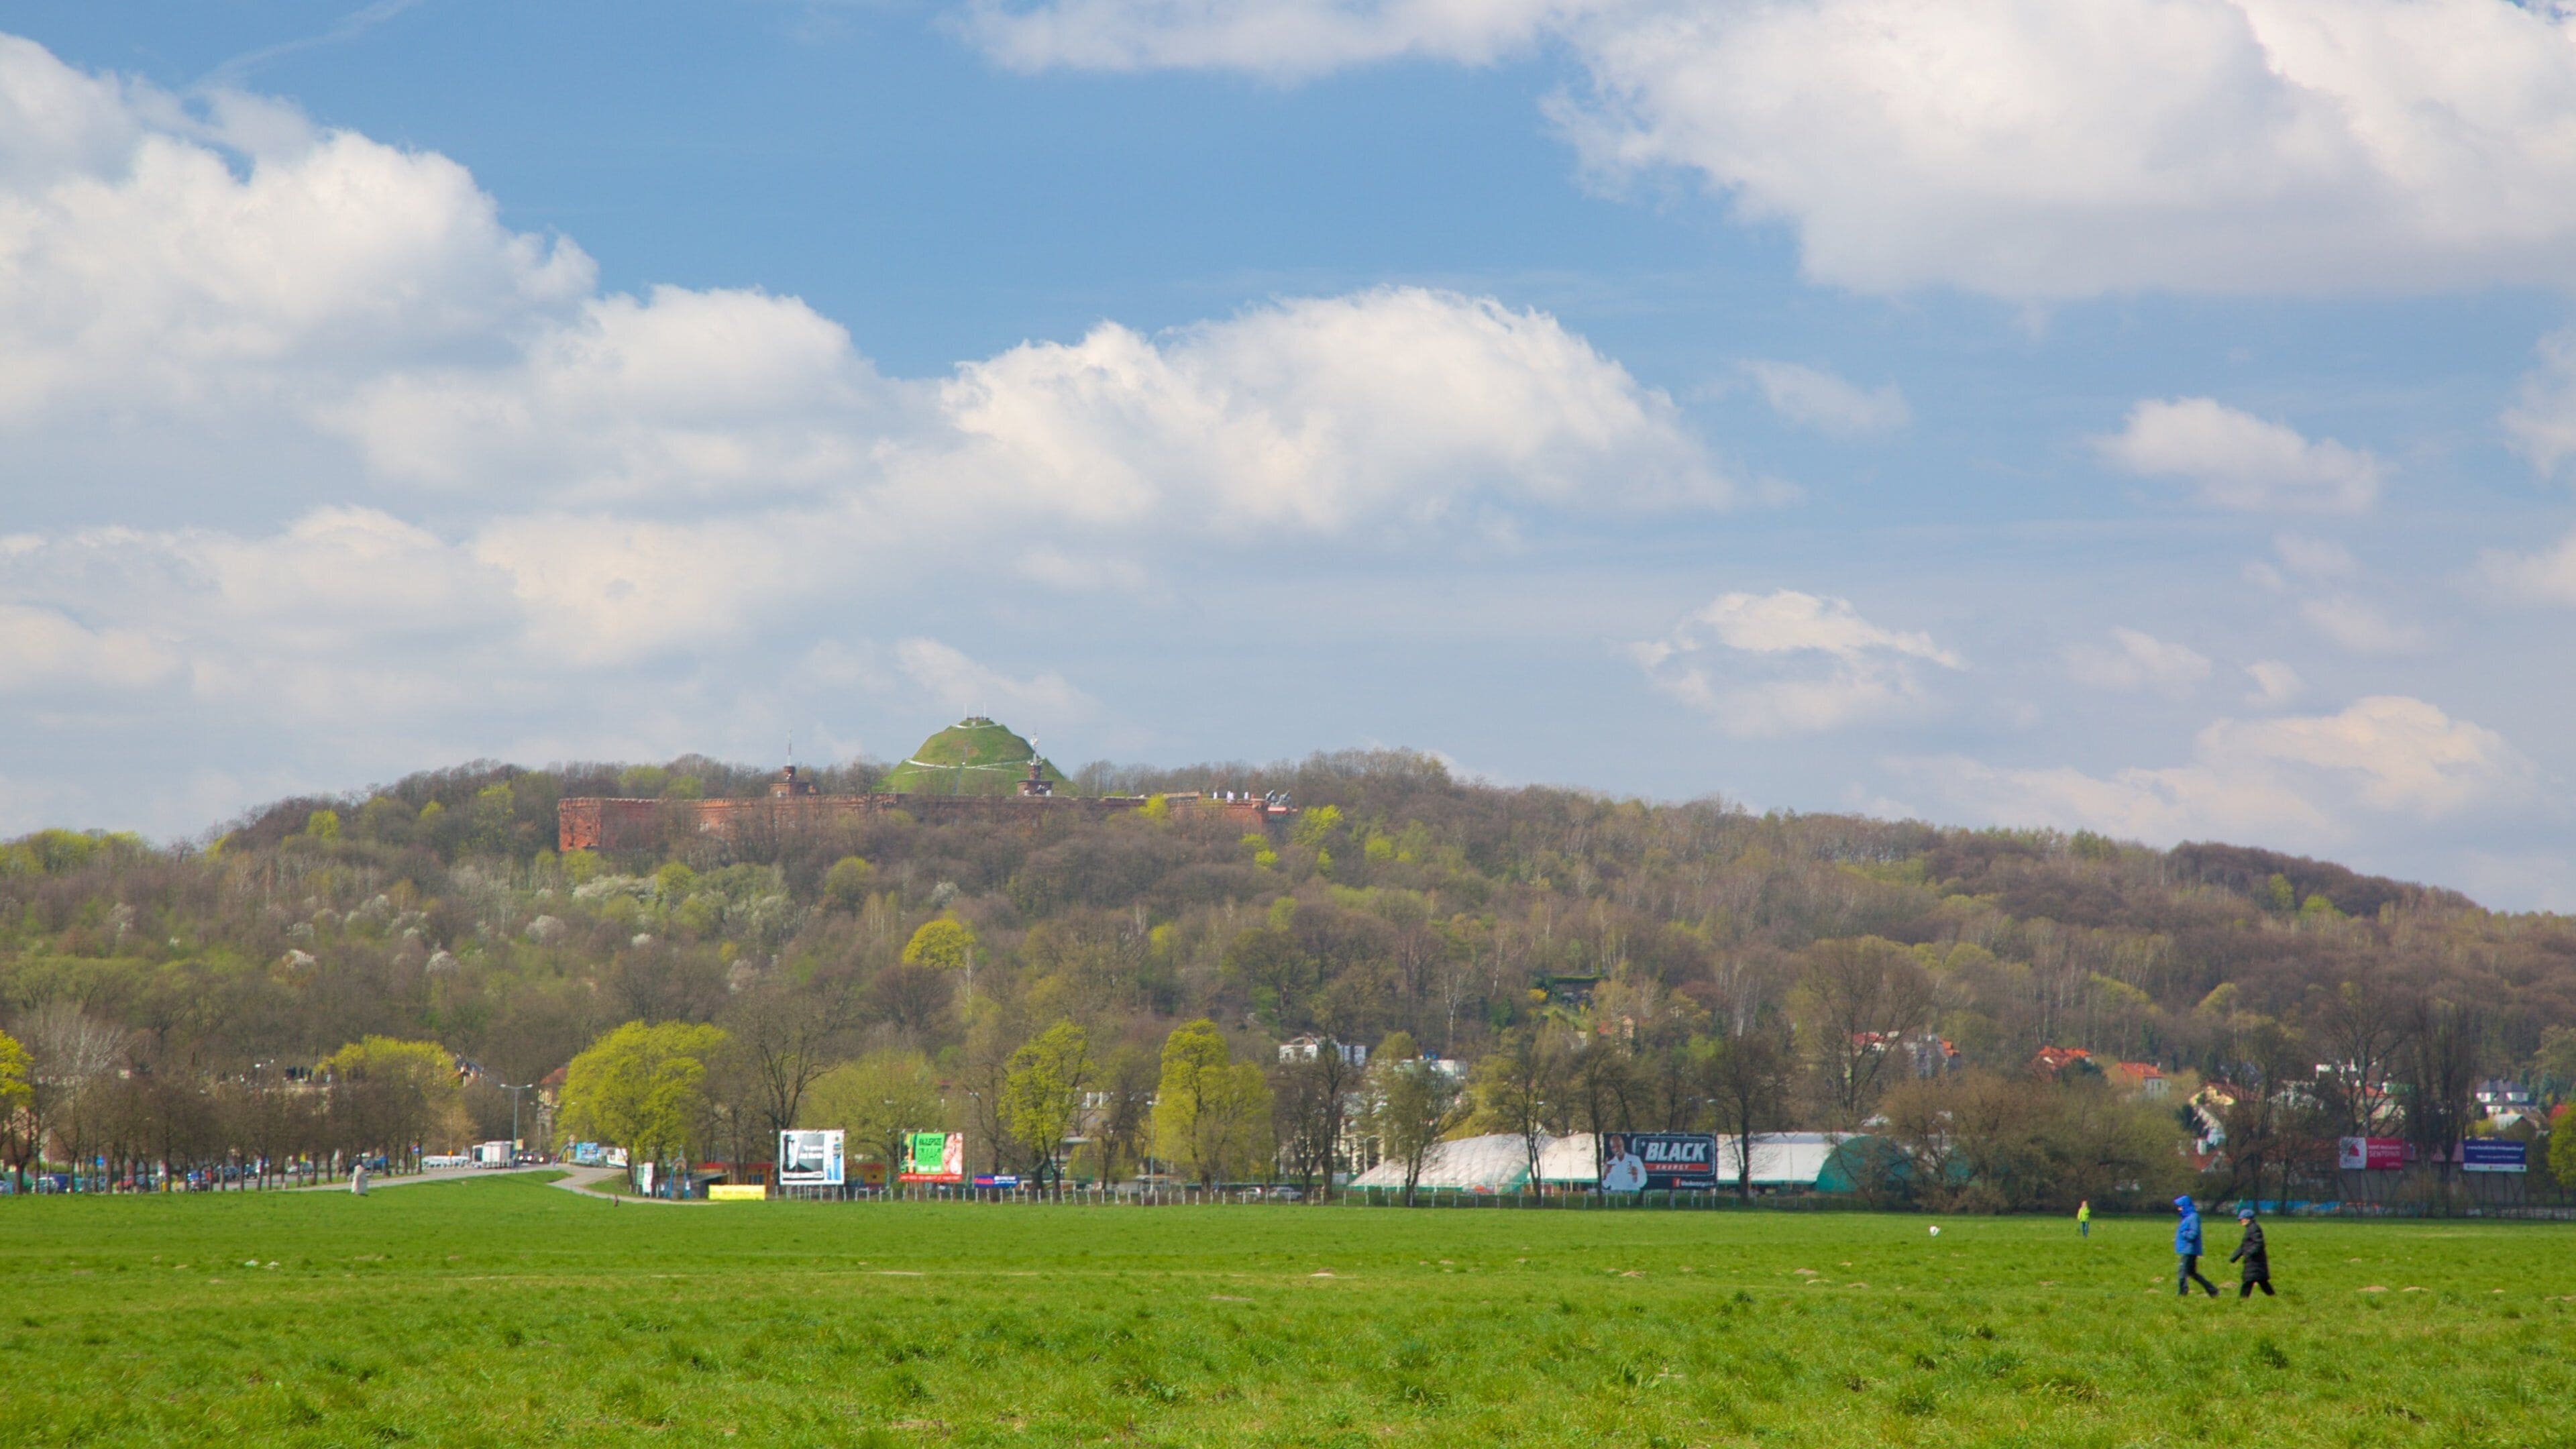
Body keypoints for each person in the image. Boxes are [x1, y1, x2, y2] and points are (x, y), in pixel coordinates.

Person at [2174, 1195, 2216, 1297]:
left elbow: (2193, 1234)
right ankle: (2213, 1291)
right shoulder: (2187, 1217)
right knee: (2192, 1273)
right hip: (2187, 1249)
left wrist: (2183, 1233)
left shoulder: (2193, 1217)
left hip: (2189, 1250)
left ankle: (2182, 1294)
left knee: (2182, 1273)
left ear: (2185, 1206)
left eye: (2180, 1206)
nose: (2178, 1209)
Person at [2230, 1206, 2273, 1297]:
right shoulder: (2250, 1229)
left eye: (2241, 1219)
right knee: (2261, 1282)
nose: (2240, 1222)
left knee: (2249, 1281)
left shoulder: (2254, 1228)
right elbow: (2244, 1246)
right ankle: (2273, 1298)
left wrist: (2249, 1253)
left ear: (2247, 1219)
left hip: (2255, 1261)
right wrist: (2234, 1257)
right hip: (2253, 1262)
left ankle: (2242, 1301)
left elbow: (2259, 1244)